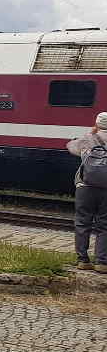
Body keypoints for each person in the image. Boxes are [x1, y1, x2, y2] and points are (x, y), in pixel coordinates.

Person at [66, 112, 107, 272]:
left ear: (96, 124)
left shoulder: (87, 138)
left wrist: (90, 133)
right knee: (104, 225)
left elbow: (70, 147)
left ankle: (83, 260)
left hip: (85, 186)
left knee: (83, 222)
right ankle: (102, 262)